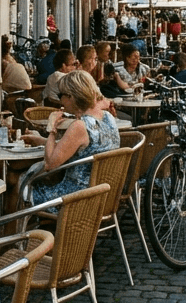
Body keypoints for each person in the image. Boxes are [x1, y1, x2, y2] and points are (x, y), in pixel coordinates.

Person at [21, 70, 119, 206]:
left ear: (71, 97)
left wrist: (52, 129)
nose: (60, 100)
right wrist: (41, 141)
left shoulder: (80, 126)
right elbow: (81, 148)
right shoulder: (108, 117)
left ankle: (15, 226)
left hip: (75, 200)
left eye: (60, 95)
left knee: (19, 187)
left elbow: (50, 164)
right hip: (102, 194)